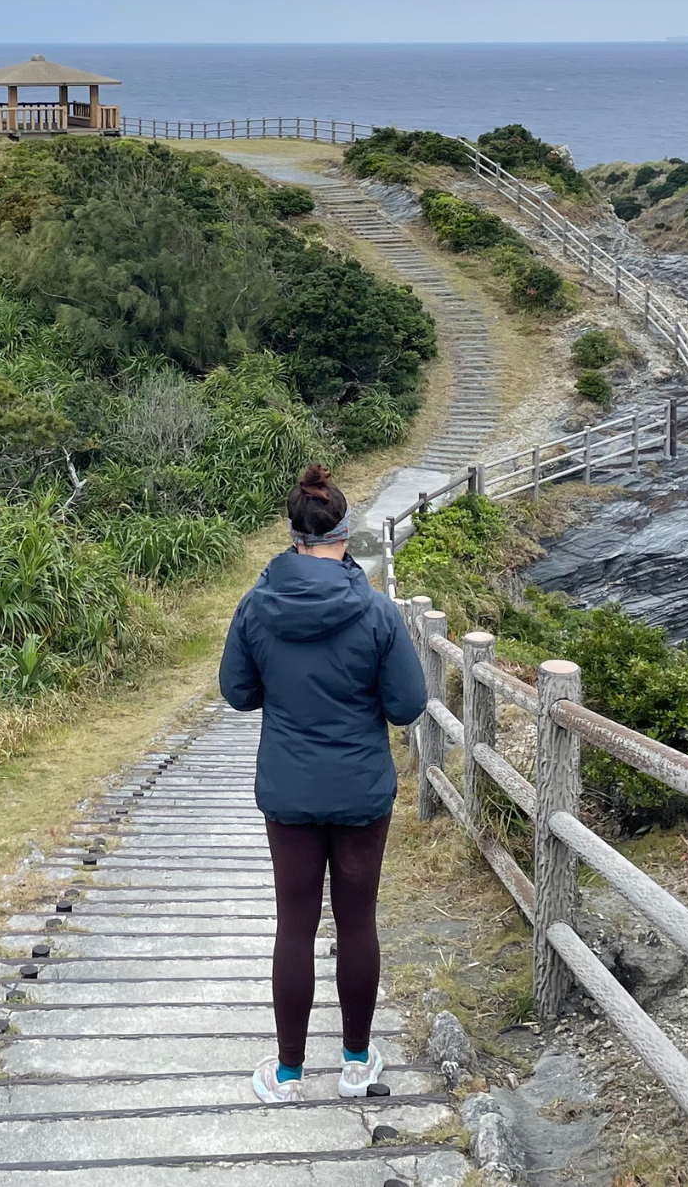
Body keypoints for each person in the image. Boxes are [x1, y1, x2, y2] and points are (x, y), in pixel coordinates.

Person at [219, 464, 427, 1103]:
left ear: (294, 534)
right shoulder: (375, 610)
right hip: (362, 791)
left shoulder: (256, 604)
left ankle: (286, 1074)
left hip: (290, 791)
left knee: (295, 923)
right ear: (346, 533)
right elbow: (407, 705)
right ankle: (358, 1066)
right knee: (358, 920)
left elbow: (236, 692)